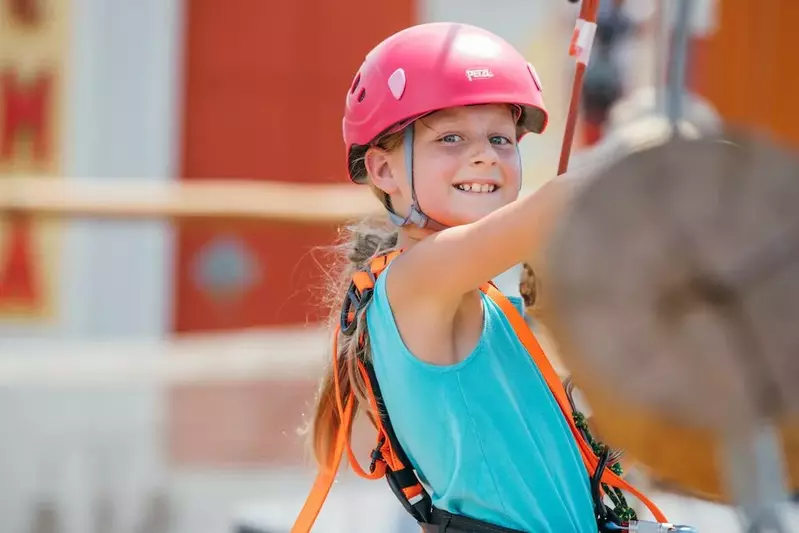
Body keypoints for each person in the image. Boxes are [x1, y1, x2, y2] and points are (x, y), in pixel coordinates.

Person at [304, 22, 664, 533]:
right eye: (450, 138)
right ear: (383, 171)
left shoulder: (485, 300)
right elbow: (554, 207)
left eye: (501, 138)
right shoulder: (416, 279)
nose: (485, 155)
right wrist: (655, 147)